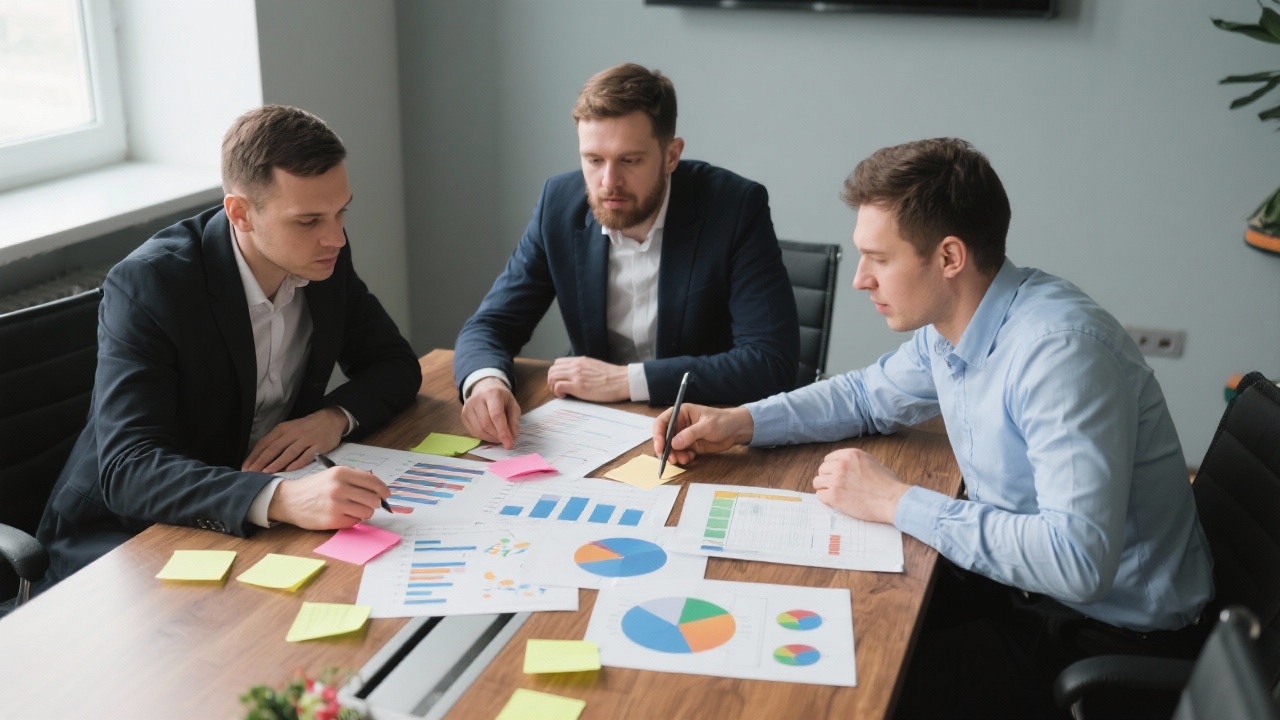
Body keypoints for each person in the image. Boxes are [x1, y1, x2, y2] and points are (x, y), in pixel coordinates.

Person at [654, 138, 1214, 718]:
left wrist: (896, 501)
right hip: (1025, 590)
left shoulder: (1059, 355)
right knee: (825, 621)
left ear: (949, 257)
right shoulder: (954, 326)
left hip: (1107, 639)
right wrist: (741, 421)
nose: (860, 279)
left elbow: (1075, 563)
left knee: (858, 687)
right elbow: (864, 396)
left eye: (879, 258)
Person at [37, 105, 422, 588]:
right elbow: (129, 468)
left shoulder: (322, 258)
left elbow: (395, 364)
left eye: (341, 211)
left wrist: (331, 419)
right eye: (308, 220)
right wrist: (278, 498)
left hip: (251, 519)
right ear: (239, 213)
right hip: (127, 537)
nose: (336, 237)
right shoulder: (152, 284)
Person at [454, 63, 799, 449]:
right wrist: (486, 382)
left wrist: (625, 380)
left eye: (629, 161)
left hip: (704, 435)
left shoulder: (734, 208)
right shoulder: (559, 205)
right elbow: (489, 325)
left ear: (671, 155)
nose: (608, 183)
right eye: (594, 160)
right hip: (593, 431)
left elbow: (771, 363)